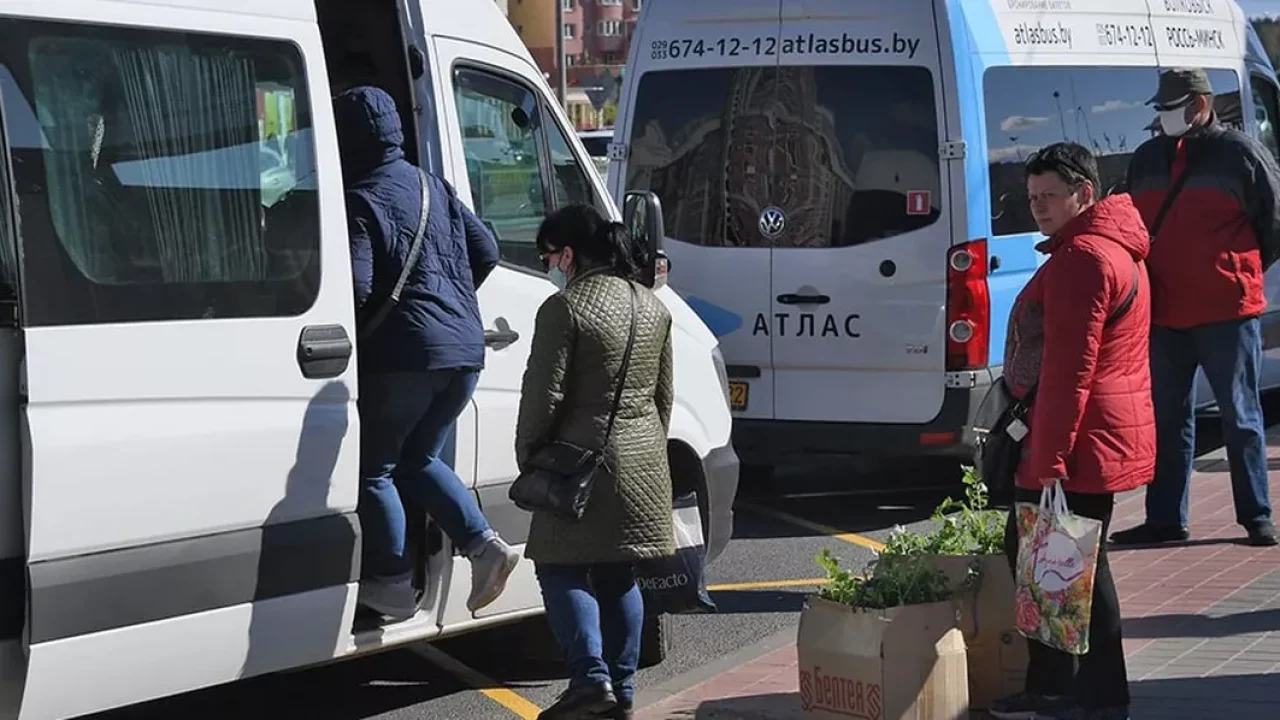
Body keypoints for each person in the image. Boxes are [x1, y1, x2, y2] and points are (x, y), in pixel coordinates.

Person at [334, 85, 519, 620]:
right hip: (464, 353)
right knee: (418, 460)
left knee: (376, 469)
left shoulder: (361, 197)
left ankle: (391, 583)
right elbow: (487, 250)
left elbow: (357, 284)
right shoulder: (432, 186)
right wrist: (452, 306)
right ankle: (486, 548)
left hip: (405, 357)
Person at [989, 143, 1154, 720]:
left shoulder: (1084, 257)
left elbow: (1068, 369)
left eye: (1049, 196)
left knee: (1056, 558)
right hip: (1097, 430)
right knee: (1072, 558)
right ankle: (1091, 691)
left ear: (1085, 192)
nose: (1037, 207)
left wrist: (1047, 458)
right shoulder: (1111, 246)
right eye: (1031, 197)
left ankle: (1072, 690)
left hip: (1076, 436)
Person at [517, 204, 675, 720]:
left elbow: (543, 394)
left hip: (580, 462)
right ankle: (622, 691)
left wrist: (532, 453)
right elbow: (663, 396)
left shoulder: (564, 309)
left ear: (569, 254)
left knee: (558, 567)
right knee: (618, 573)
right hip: (643, 460)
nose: (550, 267)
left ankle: (590, 680)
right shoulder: (652, 306)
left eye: (549, 257)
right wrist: (648, 450)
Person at [1112, 68, 1280, 548]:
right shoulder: (1146, 158)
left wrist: (1236, 269)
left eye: (1173, 106)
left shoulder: (1241, 154)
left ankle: (1256, 517)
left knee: (1240, 416)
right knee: (1166, 419)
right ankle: (1165, 518)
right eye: (1161, 108)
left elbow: (1274, 219)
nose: (1164, 116)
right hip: (1164, 314)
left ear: (1200, 105)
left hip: (1227, 312)